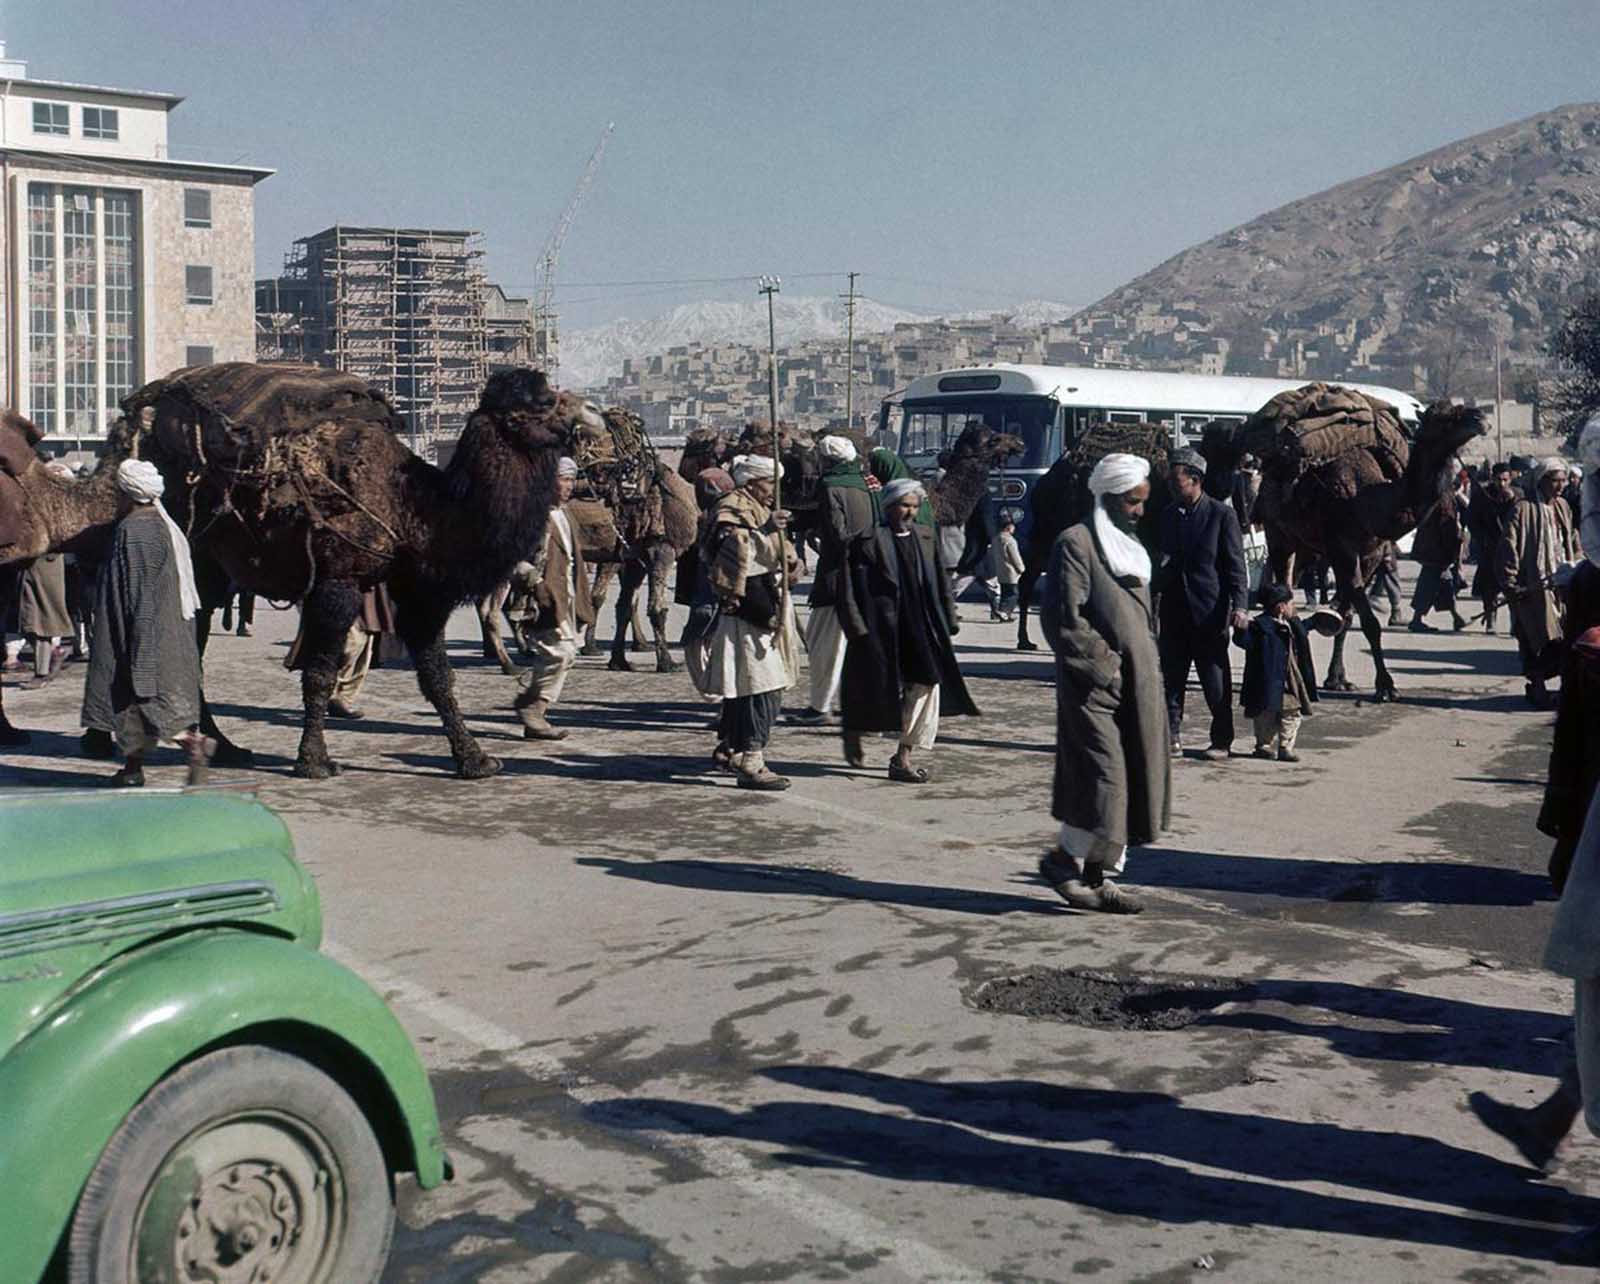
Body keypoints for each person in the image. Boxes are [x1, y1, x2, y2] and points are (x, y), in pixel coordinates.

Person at [1037, 452, 1169, 914]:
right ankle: (1060, 861)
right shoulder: (1076, 543)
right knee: (1104, 778)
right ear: (1110, 497)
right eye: (1132, 502)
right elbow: (1062, 620)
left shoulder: (1130, 547)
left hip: (1136, 687)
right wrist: (1105, 668)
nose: (1139, 511)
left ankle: (1098, 877)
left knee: (1129, 778)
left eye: (1142, 501)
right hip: (1096, 689)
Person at [837, 477, 977, 783]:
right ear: (888, 506)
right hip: (879, 626)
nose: (910, 512)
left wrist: (949, 617)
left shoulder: (926, 537)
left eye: (915, 506)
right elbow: (847, 589)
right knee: (872, 687)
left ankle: (903, 755)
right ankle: (856, 731)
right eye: (904, 505)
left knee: (927, 683)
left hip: (920, 623)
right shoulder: (866, 540)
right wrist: (856, 628)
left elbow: (940, 581)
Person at [81, 459, 211, 787]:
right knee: (131, 708)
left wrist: (141, 653)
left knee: (148, 702)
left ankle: (193, 745)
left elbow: (140, 595)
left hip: (142, 636)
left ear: (127, 493)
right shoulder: (153, 523)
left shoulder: (137, 530)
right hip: (145, 633)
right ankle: (132, 768)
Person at [691, 453, 800, 790]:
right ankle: (751, 759)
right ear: (752, 483)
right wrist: (766, 531)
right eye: (770, 484)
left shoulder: (754, 508)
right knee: (762, 689)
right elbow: (732, 560)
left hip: (768, 605)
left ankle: (730, 747)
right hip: (750, 611)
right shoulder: (731, 512)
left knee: (749, 687)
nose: (774, 491)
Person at [1154, 447, 1248, 760]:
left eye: (1177, 482)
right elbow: (1162, 563)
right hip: (1173, 611)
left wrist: (1240, 606)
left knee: (1215, 682)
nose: (1172, 488)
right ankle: (1171, 737)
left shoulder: (1222, 515)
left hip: (1209, 612)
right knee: (1171, 679)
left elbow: (1236, 565)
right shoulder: (1167, 516)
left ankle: (1222, 740)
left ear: (1196, 481)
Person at [790, 434, 879, 725]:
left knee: (823, 643)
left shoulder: (829, 487)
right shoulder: (870, 483)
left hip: (838, 575)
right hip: (869, 573)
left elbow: (838, 534)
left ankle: (820, 707)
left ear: (826, 461)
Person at [511, 457, 595, 741]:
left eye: (572, 480)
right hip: (543, 598)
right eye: (564, 479)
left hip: (566, 597)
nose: (569, 486)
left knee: (568, 653)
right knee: (561, 652)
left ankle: (534, 713)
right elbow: (510, 556)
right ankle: (532, 707)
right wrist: (533, 580)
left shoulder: (565, 514)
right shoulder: (530, 516)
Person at [1497, 457, 1579, 708]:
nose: (1561, 486)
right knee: (1534, 638)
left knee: (1566, 637)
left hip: (1561, 584)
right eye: (1556, 481)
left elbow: (1570, 539)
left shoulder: (1564, 506)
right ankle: (1538, 687)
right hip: (1531, 586)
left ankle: (1566, 689)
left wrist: (1578, 564)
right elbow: (1509, 547)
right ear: (1542, 481)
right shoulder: (1523, 509)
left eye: (1564, 480)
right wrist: (1511, 583)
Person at [1236, 582, 1318, 762]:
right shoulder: (1259, 627)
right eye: (1291, 603)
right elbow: (1244, 642)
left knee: (1291, 713)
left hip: (1289, 681)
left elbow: (1303, 632)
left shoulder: (1291, 625)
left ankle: (1285, 747)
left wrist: (1316, 621)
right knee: (1265, 715)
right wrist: (1240, 630)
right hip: (1267, 681)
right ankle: (1263, 745)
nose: (1293, 608)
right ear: (1281, 607)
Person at [1408, 485, 1468, 633]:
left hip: (1434, 550)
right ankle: (1417, 619)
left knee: (1444, 584)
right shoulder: (1444, 498)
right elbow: (1446, 525)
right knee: (1430, 584)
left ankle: (1455, 617)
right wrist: (1454, 547)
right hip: (1436, 551)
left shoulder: (1444, 496)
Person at [1468, 462, 1520, 634]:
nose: (1502, 484)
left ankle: (1516, 624)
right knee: (1489, 589)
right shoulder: (1482, 495)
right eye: (1498, 480)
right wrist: (1482, 539)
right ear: (1492, 478)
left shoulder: (1519, 496)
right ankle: (1491, 620)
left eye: (1505, 480)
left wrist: (1512, 499)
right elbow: (1472, 520)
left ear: (1510, 478)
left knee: (1513, 588)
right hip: (1490, 548)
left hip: (1513, 550)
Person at [1366, 540, 1406, 628]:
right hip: (1381, 545)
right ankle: (1396, 613)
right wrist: (1388, 551)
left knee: (1378, 573)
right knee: (1390, 574)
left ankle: (1374, 595)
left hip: (1375, 544)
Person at [995, 515, 1026, 617]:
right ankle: (1005, 612)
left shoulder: (996, 539)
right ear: (1008, 527)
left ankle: (1000, 611)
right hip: (1011, 572)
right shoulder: (1010, 540)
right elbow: (1015, 557)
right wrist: (1021, 569)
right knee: (1013, 594)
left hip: (1000, 571)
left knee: (1005, 593)